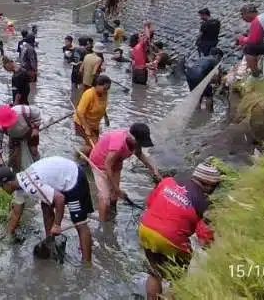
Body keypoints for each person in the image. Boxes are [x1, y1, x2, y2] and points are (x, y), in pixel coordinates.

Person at [139, 161, 221, 299]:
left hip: (145, 229)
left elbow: (149, 202)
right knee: (176, 279)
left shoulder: (168, 181)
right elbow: (204, 239)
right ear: (208, 185)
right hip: (169, 239)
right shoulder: (203, 203)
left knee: (154, 273)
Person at [0, 156, 94, 262]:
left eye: (1, 186)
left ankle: (86, 263)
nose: (2, 190)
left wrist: (57, 225)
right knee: (45, 206)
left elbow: (60, 199)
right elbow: (16, 213)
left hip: (73, 179)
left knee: (80, 223)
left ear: (8, 183)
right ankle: (50, 243)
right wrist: (8, 235)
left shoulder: (30, 186)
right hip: (62, 174)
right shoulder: (19, 184)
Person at [87, 123, 161, 221]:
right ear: (133, 138)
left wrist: (154, 170)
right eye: (140, 143)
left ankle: (113, 216)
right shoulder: (118, 144)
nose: (140, 146)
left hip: (116, 163)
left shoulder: (135, 142)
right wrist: (117, 189)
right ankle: (103, 225)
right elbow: (107, 165)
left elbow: (140, 155)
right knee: (105, 197)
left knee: (114, 196)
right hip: (100, 165)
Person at [0, 104, 42, 170]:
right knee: (13, 157)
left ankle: (39, 165)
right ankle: (14, 171)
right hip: (14, 136)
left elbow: (37, 113)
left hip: (30, 131)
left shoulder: (22, 111)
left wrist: (36, 128)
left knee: (34, 151)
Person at [74, 75, 112, 155]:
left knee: (95, 145)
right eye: (104, 88)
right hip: (82, 123)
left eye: (108, 89)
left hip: (94, 124)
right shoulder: (89, 94)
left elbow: (102, 106)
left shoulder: (105, 93)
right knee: (92, 146)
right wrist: (86, 128)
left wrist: (106, 117)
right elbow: (80, 112)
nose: (106, 91)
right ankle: (77, 154)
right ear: (97, 85)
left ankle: (86, 158)